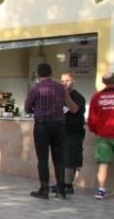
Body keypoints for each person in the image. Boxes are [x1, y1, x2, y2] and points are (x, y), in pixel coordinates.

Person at [24, 63, 79, 199]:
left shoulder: (36, 89)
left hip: (42, 126)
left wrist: (34, 108)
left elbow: (26, 108)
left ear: (38, 74)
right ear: (51, 73)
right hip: (58, 125)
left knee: (42, 158)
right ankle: (61, 189)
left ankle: (44, 189)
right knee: (59, 158)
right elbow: (72, 107)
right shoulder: (60, 88)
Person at [87, 72, 114, 200]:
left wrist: (95, 129)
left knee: (103, 162)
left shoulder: (97, 96)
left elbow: (92, 118)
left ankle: (100, 190)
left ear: (103, 82)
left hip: (103, 135)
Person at [60, 72, 86, 196]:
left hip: (73, 133)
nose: (64, 83)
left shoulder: (78, 96)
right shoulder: (58, 96)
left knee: (71, 159)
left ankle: (68, 185)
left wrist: (65, 95)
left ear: (73, 81)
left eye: (67, 81)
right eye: (62, 81)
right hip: (61, 132)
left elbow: (74, 109)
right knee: (62, 159)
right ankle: (62, 183)